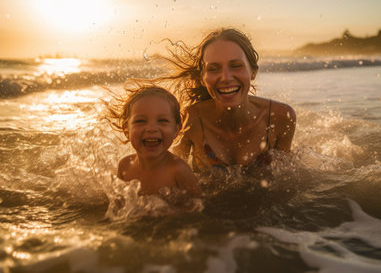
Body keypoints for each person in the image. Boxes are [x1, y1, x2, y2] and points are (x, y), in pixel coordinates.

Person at [150, 28, 296, 178]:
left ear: (253, 71)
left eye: (236, 66)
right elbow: (173, 179)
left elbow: (286, 181)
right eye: (213, 69)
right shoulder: (190, 120)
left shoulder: (280, 116)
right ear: (202, 78)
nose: (226, 77)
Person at [105, 84, 202, 197]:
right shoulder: (125, 166)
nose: (151, 128)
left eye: (162, 120)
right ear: (126, 130)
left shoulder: (179, 171)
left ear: (176, 129)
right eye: (140, 121)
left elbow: (199, 208)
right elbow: (117, 205)